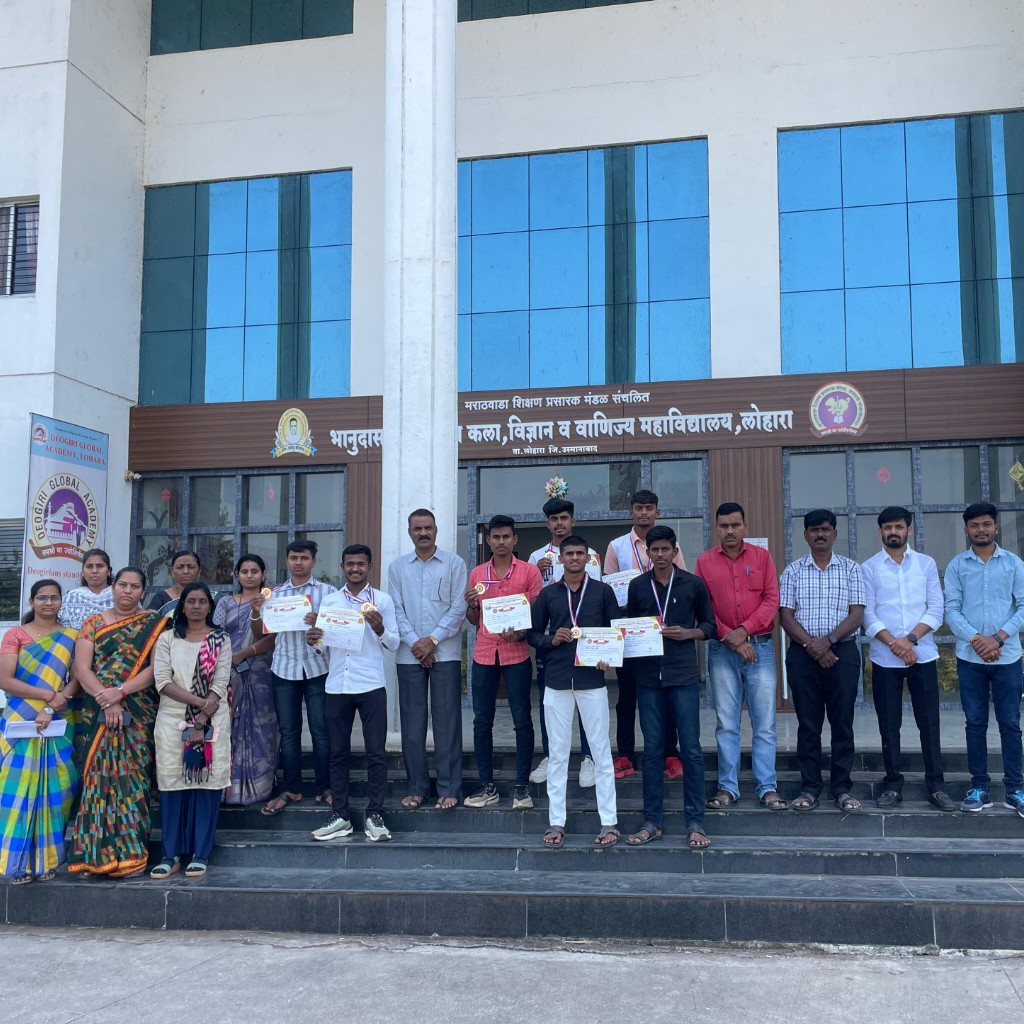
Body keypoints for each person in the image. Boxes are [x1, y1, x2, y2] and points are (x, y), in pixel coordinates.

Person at [67, 566, 167, 877]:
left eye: (134, 586)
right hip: (97, 710)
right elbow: (82, 668)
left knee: (132, 780)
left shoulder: (155, 623)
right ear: (113, 587)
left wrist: (120, 692)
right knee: (97, 780)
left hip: (137, 710)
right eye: (122, 584)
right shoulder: (93, 622)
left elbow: (155, 669)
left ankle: (132, 855)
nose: (127, 591)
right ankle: (93, 856)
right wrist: (106, 699)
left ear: (143, 591)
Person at [625, 526, 716, 849]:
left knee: (690, 749)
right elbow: (629, 628)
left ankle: (696, 822)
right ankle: (653, 821)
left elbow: (710, 626)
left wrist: (688, 634)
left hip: (683, 677)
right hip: (648, 678)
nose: (661, 554)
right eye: (655, 550)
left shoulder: (693, 584)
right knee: (652, 750)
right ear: (648, 553)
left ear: (675, 551)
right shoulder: (638, 586)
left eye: (666, 549)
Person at [528, 535, 620, 848]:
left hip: (592, 680)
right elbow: (532, 635)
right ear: (560, 558)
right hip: (556, 680)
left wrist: (609, 656)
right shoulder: (548, 594)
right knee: (557, 754)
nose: (575, 558)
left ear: (588, 558)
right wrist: (551, 639)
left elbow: (615, 632)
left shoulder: (603, 592)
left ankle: (609, 821)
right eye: (569, 553)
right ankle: (556, 821)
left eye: (580, 553)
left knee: (601, 751)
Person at [862, 507, 954, 811]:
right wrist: (895, 644)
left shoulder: (926, 564)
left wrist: (909, 640)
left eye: (898, 526)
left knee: (929, 723)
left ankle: (936, 787)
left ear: (909, 530)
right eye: (887, 527)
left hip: (922, 656)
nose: (893, 532)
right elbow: (867, 613)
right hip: (884, 658)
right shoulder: (869, 568)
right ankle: (892, 784)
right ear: (880, 531)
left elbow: (936, 609)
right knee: (889, 725)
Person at [695, 503, 785, 812]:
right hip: (722, 651)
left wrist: (744, 631)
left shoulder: (762, 558)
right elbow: (703, 606)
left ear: (745, 526)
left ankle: (767, 787)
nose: (730, 531)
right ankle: (727, 787)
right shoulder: (704, 562)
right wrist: (730, 638)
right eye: (724, 526)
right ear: (717, 528)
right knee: (726, 723)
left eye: (735, 525)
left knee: (765, 723)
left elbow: (772, 599)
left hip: (759, 648)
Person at [308, 545, 399, 843]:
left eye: (361, 564)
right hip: (337, 685)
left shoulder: (382, 600)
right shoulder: (331, 601)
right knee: (337, 754)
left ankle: (375, 814)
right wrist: (314, 640)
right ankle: (341, 816)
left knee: (376, 753)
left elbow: (394, 643)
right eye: (350, 564)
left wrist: (380, 628)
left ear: (370, 566)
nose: (355, 568)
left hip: (371, 684)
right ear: (342, 566)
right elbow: (323, 647)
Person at [779, 509, 865, 813]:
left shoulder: (851, 569)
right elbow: (785, 616)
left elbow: (857, 614)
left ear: (834, 534)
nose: (820, 534)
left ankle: (842, 788)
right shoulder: (792, 571)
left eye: (825, 529)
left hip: (842, 653)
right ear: (805, 535)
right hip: (802, 656)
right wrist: (812, 646)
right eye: (814, 530)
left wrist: (827, 642)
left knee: (842, 722)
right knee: (808, 724)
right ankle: (810, 787)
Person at [944, 502, 1024, 816]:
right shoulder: (957, 566)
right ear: (967, 530)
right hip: (971, 658)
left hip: (1008, 658)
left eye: (986, 524)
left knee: (1010, 724)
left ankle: (1015, 790)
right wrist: (978, 640)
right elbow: (951, 610)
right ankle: (979, 788)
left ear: (996, 527)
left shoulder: (1014, 564)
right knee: (975, 725)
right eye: (975, 525)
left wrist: (998, 638)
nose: (981, 529)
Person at [150, 582, 232, 879]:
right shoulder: (167, 638)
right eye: (191, 601)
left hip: (213, 718)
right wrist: (198, 705)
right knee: (172, 783)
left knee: (206, 784)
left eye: (202, 601)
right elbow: (162, 681)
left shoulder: (220, 639)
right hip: (172, 718)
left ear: (210, 606)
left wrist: (201, 721)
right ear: (181, 606)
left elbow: (221, 682)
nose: (196, 606)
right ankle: (170, 855)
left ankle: (200, 854)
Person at [389, 508, 468, 810]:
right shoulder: (397, 568)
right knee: (412, 724)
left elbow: (459, 608)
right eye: (417, 528)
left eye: (428, 528)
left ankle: (449, 788)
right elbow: (396, 610)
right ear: (409, 532)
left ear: (436, 530)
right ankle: (417, 787)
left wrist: (432, 641)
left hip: (445, 652)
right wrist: (416, 644)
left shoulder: (454, 564)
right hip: (409, 654)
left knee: (447, 722)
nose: (423, 533)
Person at [0, 580, 78, 883]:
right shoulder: (15, 635)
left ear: (61, 602)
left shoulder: (71, 636)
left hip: (58, 721)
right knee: (16, 789)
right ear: (32, 601)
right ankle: (16, 863)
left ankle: (47, 861)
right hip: (20, 720)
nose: (48, 603)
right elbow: (5, 680)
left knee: (58, 789)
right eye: (42, 598)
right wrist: (47, 696)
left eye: (54, 597)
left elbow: (77, 678)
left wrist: (55, 703)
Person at [604, 489, 685, 779]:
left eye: (649, 508)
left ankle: (670, 754)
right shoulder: (617, 547)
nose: (644, 513)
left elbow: (680, 585)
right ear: (631, 511)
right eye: (639, 508)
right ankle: (625, 755)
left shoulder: (672, 546)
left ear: (657, 512)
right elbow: (608, 592)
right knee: (626, 697)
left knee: (665, 695)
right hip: (629, 635)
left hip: (663, 635)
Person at [252, 539, 336, 815]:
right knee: (288, 732)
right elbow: (260, 634)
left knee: (321, 731)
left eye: (304, 558)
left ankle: (325, 788)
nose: (298, 562)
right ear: (287, 561)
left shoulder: (329, 593)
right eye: (293, 558)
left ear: (314, 561)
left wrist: (321, 622)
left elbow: (339, 632)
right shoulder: (273, 595)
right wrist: (256, 612)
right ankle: (291, 788)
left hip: (318, 667)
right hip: (284, 668)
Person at [464, 515, 541, 809]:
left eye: (506, 537)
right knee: (482, 721)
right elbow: (474, 620)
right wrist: (472, 604)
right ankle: (487, 786)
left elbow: (535, 615)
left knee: (522, 719)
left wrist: (519, 632)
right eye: (495, 537)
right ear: (488, 540)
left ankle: (521, 787)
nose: (501, 542)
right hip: (484, 653)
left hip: (516, 653)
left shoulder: (529, 573)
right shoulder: (477, 574)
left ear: (514, 539)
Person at [527, 498, 600, 788]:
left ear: (573, 521)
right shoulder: (536, 557)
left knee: (586, 701)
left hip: (586, 641)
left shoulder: (591, 555)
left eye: (564, 518)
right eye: (554, 519)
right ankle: (550, 756)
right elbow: (530, 600)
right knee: (550, 702)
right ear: (548, 524)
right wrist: (538, 573)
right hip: (552, 641)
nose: (560, 523)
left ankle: (588, 758)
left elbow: (596, 594)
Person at [213, 554, 278, 805]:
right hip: (228, 670)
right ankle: (227, 788)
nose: (249, 576)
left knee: (261, 726)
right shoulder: (225, 602)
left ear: (263, 574)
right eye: (244, 571)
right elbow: (216, 635)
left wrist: (245, 653)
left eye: (254, 571)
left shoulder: (271, 601)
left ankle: (259, 787)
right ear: (237, 575)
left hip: (261, 672)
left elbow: (272, 636)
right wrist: (230, 658)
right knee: (228, 725)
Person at [58, 548, 114, 629]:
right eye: (89, 566)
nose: (94, 571)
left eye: (100, 566)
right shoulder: (71, 598)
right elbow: (62, 629)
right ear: (82, 572)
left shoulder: (119, 596)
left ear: (108, 571)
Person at [147, 549, 202, 618]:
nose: (185, 571)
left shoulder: (210, 597)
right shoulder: (160, 598)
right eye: (179, 567)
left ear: (199, 571)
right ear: (172, 571)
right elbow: (150, 622)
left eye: (191, 567)